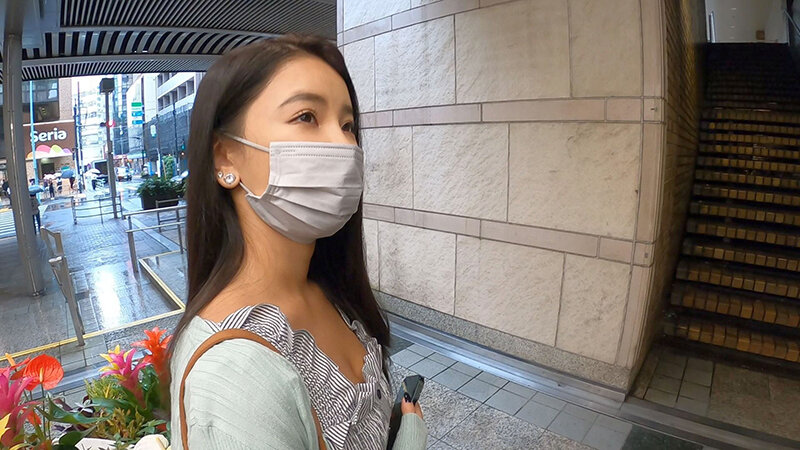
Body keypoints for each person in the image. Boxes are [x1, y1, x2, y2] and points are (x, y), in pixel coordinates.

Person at [169, 35, 427, 450]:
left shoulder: (329, 290)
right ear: (225, 157)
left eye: (348, 125)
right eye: (306, 116)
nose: (345, 145)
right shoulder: (235, 373)